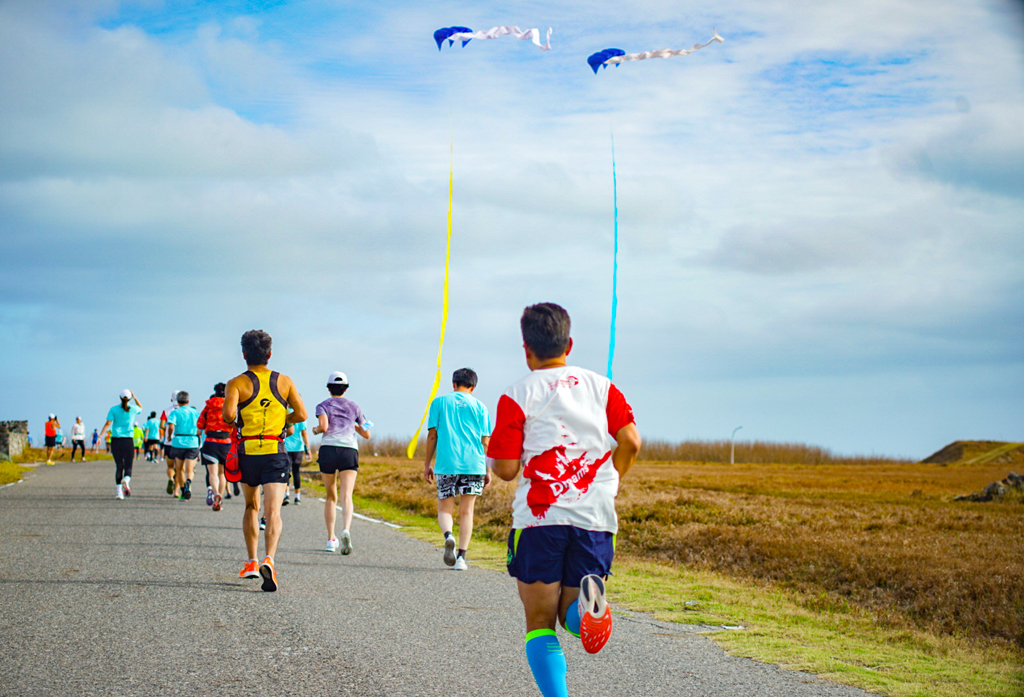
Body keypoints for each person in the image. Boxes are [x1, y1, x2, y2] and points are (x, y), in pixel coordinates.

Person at [487, 303, 641, 697]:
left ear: (526, 349)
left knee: (540, 621)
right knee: (572, 612)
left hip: (541, 518)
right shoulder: (601, 386)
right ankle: (589, 610)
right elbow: (631, 441)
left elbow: (505, 469)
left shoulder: (517, 394)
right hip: (595, 515)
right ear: (568, 343)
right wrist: (608, 482)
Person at [222, 330, 307, 592]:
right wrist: (282, 421)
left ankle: (251, 562)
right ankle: (269, 558)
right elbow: (301, 413)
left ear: (244, 354)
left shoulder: (236, 383)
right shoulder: (285, 381)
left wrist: (241, 422)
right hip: (275, 452)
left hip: (248, 451)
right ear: (269, 354)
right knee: (273, 512)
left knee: (251, 507)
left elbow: (227, 416)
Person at [423, 368, 491, 571]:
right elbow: (485, 441)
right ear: (473, 387)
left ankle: (448, 535)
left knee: (445, 508)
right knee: (466, 511)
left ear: (453, 384)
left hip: (446, 464)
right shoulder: (481, 407)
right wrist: (488, 469)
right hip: (474, 464)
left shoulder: (439, 403)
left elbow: (432, 436)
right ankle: (461, 558)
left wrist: (427, 464)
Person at [312, 372, 370, 555]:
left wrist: (315, 430)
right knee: (347, 495)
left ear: (329, 388)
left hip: (329, 449)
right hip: (349, 451)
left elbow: (323, 427)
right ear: (346, 388)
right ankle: (346, 529)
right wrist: (353, 425)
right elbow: (367, 433)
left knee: (331, 496)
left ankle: (331, 539)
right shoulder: (354, 407)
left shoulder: (323, 405)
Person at [98, 390, 144, 499]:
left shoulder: (113, 409)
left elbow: (108, 423)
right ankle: (127, 479)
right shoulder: (133, 409)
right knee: (128, 465)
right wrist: (135, 397)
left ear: (120, 398)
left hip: (116, 440)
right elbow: (141, 408)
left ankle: (119, 492)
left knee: (119, 466)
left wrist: (100, 436)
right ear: (130, 399)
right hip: (128, 440)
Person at [198, 383, 232, 511]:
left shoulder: (208, 406)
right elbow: (234, 423)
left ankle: (215, 491)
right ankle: (220, 498)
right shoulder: (230, 406)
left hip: (211, 442)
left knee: (212, 473)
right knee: (222, 473)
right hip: (225, 442)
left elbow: (200, 424)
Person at [166, 391, 201, 500]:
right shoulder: (195, 412)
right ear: (188, 401)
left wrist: (169, 436)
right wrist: (198, 433)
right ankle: (189, 482)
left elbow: (171, 426)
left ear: (177, 401)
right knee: (190, 469)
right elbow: (201, 426)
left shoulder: (175, 412)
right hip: (192, 441)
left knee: (179, 468)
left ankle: (182, 489)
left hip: (178, 442)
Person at [282, 410, 311, 506]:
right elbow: (304, 433)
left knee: (286, 471)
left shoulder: (285, 413)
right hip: (298, 448)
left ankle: (286, 495)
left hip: (285, 447)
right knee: (296, 472)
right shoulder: (300, 414)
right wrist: (308, 449)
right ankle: (297, 497)